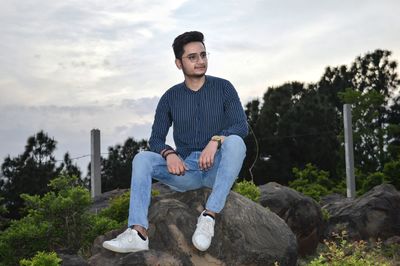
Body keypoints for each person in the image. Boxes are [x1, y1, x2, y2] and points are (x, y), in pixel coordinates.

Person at [103, 31, 248, 253]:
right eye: (192, 57)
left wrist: (216, 140)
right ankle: (138, 232)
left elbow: (241, 125)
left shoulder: (224, 88)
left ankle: (209, 217)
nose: (200, 61)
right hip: (186, 170)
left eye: (203, 55)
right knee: (142, 158)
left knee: (236, 142)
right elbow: (155, 139)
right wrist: (169, 154)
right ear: (178, 63)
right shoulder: (170, 97)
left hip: (216, 168)